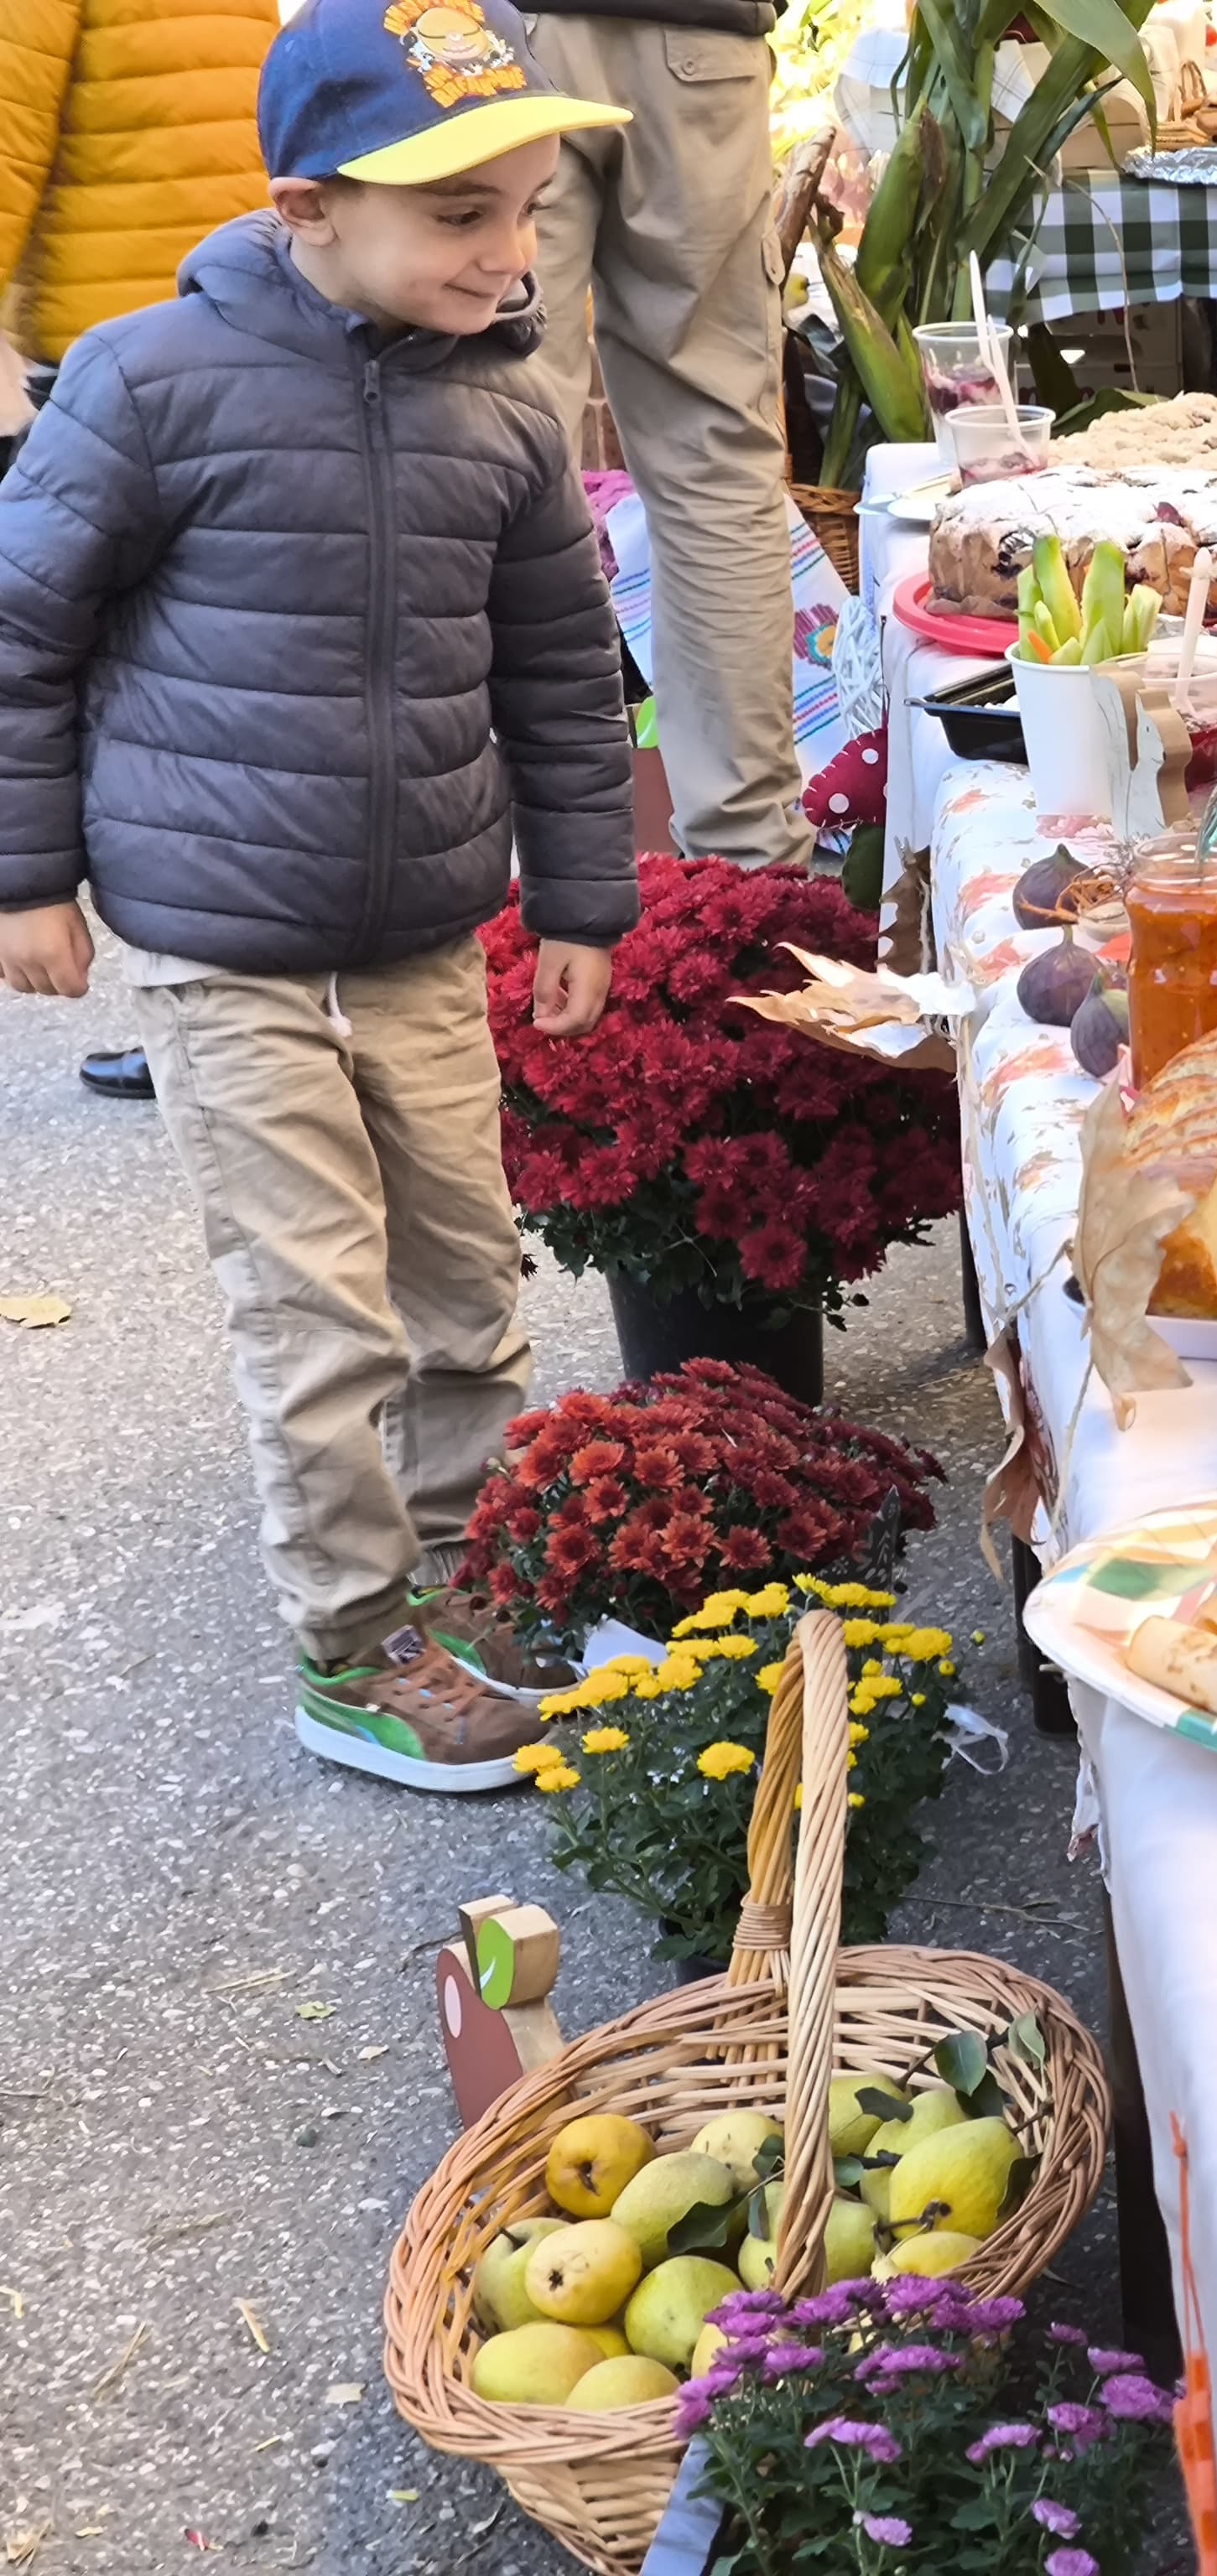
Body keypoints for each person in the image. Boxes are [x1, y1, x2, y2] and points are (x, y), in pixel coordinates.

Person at [0, 0, 641, 1792]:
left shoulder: (509, 420)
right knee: (315, 1309)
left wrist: (582, 901)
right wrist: (25, 875)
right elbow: (19, 629)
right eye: (459, 219)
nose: (508, 252)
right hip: (223, 944)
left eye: (522, 208)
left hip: (424, 933)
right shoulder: (146, 383)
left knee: (463, 1275)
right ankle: (353, 1642)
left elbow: (566, 676)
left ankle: (471, 1572)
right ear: (305, 210)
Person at [0, 0, 283, 1104]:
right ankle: (254, 1003)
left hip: (112, 338)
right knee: (236, 659)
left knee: (134, 685)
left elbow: (11, 116)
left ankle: (209, 1007)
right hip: (245, 313)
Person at [508, 0, 814, 871]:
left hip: (503, 38)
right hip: (698, 34)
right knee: (714, 461)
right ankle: (750, 869)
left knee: (492, 459)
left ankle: (505, 879)